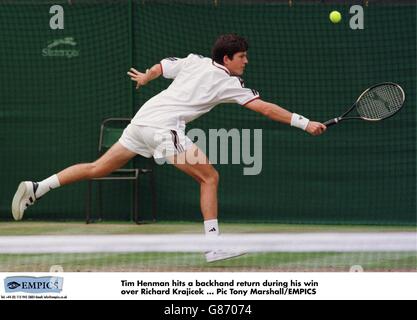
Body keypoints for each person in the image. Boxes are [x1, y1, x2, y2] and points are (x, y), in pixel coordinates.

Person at [11, 34, 326, 262]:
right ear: (227, 59)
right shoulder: (230, 82)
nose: (246, 61)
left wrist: (147, 77)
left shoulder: (194, 62)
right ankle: (214, 245)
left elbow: (162, 66)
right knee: (209, 178)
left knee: (99, 168)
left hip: (141, 121)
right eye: (242, 56)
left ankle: (39, 187)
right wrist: (305, 122)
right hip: (163, 128)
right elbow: (267, 109)